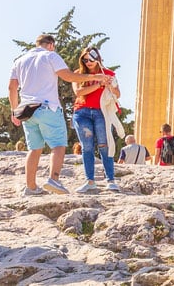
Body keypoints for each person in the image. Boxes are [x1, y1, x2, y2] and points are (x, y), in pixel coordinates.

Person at [8, 34, 110, 195]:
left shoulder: (19, 61)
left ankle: (31, 187)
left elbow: (12, 88)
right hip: (47, 107)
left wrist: (14, 111)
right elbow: (68, 76)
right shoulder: (50, 56)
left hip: (26, 110)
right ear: (51, 45)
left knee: (34, 149)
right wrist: (94, 77)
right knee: (58, 145)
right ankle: (54, 180)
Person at [71, 46, 121, 193]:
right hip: (82, 112)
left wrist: (109, 85)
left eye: (91, 59)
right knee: (87, 147)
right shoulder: (78, 74)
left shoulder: (109, 74)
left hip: (102, 112)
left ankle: (110, 180)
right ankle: (90, 181)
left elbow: (118, 94)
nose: (88, 62)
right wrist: (99, 84)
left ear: (97, 58)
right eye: (85, 60)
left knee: (104, 145)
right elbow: (79, 92)